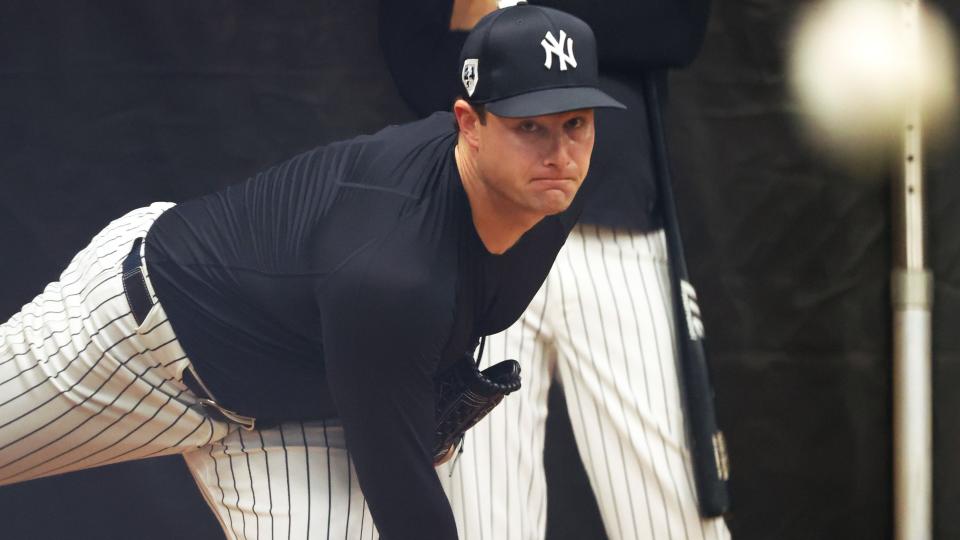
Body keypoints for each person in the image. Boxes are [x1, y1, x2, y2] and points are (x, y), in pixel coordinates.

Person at [0, 5, 624, 539]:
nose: (559, 151)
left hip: (300, 404)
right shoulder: (392, 271)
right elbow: (405, 492)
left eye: (575, 122)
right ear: (470, 125)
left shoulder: (553, 186)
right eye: (529, 127)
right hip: (138, 341)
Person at [380, 1, 731, 539]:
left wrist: (505, 12)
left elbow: (675, 25)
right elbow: (416, 61)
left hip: (616, 232)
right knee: (483, 522)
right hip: (481, 233)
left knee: (673, 516)